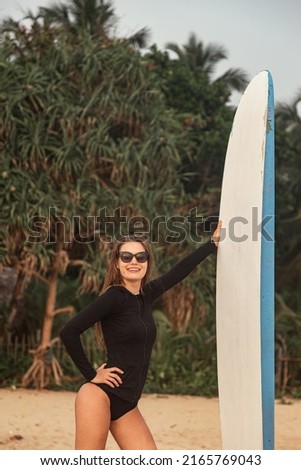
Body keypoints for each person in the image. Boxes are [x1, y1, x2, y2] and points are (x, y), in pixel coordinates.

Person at [60, 221, 222, 450]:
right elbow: (69, 331)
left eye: (140, 257)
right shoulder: (114, 297)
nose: (133, 261)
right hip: (99, 397)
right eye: (126, 257)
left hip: (127, 402)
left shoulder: (146, 295)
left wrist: (212, 244)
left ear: (147, 262)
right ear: (117, 263)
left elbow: (178, 272)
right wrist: (91, 374)